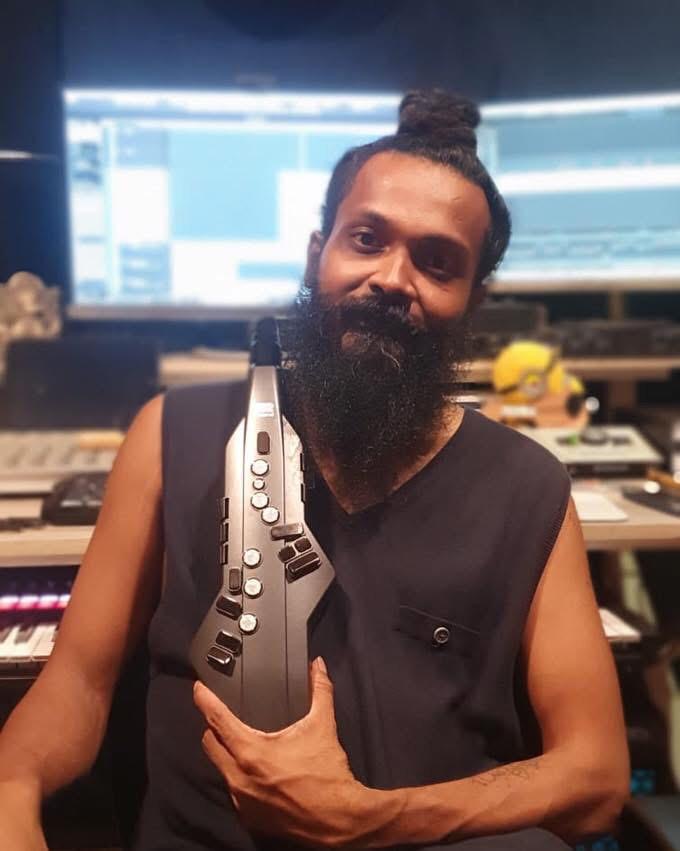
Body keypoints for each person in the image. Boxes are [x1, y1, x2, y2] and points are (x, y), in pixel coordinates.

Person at [0, 90, 629, 850]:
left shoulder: (528, 488)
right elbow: (78, 682)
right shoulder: (170, 432)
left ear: (473, 302)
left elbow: (596, 776)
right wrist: (13, 788)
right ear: (316, 253)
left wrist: (367, 820)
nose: (392, 278)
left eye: (437, 262)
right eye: (366, 239)